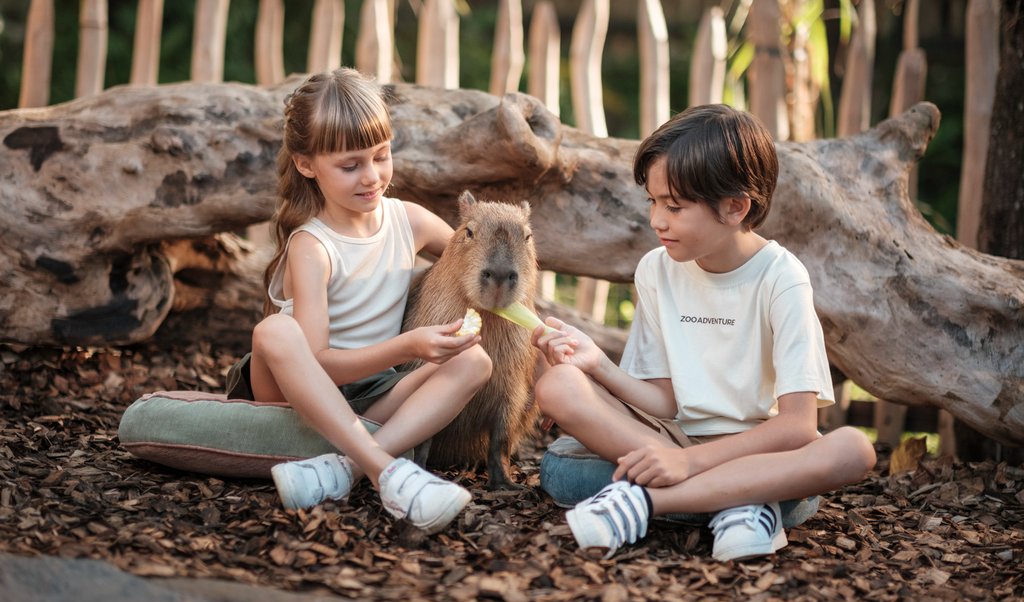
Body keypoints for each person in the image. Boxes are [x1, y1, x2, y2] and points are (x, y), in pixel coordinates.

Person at [531, 104, 877, 561]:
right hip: (666, 440)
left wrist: (688, 464)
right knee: (558, 388)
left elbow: (797, 426)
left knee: (854, 449)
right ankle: (741, 503)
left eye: (674, 206)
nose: (657, 220)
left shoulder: (781, 278)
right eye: (652, 202)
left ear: (735, 207)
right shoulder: (656, 270)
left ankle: (648, 500)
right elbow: (664, 402)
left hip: (757, 452)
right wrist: (597, 364)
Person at [225, 68, 491, 534]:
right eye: (350, 166)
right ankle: (388, 473)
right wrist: (410, 346)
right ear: (307, 164)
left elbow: (475, 267)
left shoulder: (408, 221)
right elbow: (319, 364)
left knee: (476, 364)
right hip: (291, 389)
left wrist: (542, 348)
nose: (372, 177)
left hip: (370, 395)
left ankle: (342, 470)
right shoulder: (313, 247)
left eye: (381, 156)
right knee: (275, 330)